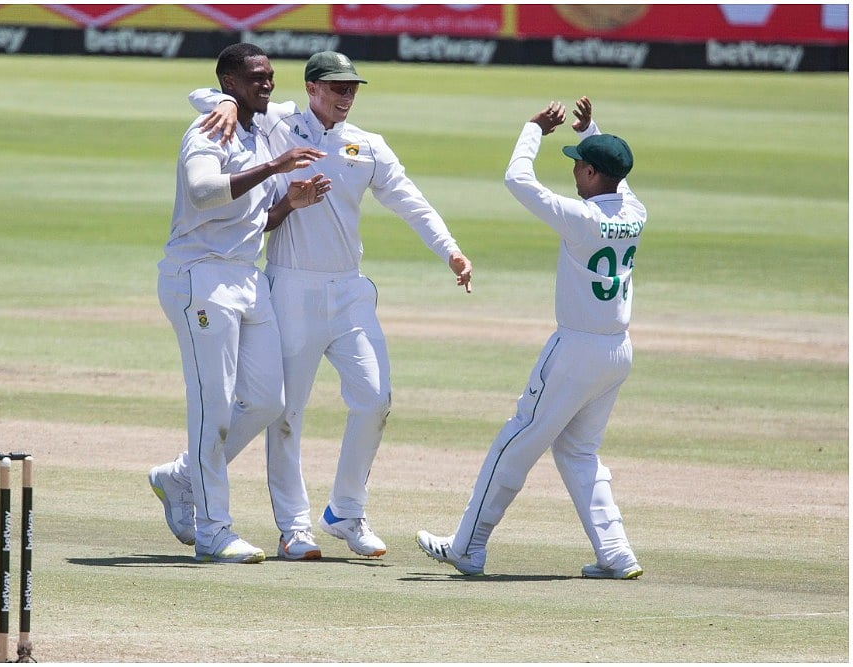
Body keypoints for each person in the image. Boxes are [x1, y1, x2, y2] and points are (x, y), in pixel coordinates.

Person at [186, 51, 473, 560]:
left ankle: (345, 511)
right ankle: (294, 528)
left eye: (352, 88)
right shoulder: (279, 123)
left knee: (375, 398)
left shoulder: (367, 144)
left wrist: (450, 250)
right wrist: (223, 103)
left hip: (349, 291)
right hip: (290, 287)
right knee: (287, 414)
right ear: (312, 87)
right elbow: (213, 97)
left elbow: (409, 199)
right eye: (337, 87)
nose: (346, 96)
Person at [416, 97, 646, 578]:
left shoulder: (582, 218)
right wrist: (589, 133)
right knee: (579, 451)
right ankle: (616, 552)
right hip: (618, 350)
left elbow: (517, 179)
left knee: (515, 441)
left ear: (591, 174)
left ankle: (468, 547)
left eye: (579, 165)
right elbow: (618, 178)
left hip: (575, 349)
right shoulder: (635, 211)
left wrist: (533, 130)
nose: (574, 171)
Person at [148, 43, 331, 564]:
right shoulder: (208, 131)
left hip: (246, 278)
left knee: (268, 401)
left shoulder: (255, 126)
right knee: (213, 408)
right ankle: (212, 532)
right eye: (255, 78)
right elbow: (204, 192)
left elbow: (251, 221)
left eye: (270, 75)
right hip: (199, 278)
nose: (267, 85)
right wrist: (274, 165)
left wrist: (288, 204)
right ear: (230, 82)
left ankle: (180, 477)